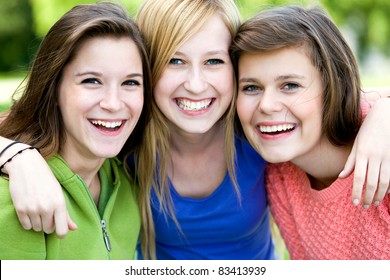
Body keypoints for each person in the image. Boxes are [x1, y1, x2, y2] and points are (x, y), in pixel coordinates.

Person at [1, 0, 389, 260]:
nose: (197, 84)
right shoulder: (122, 135)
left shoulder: (259, 130)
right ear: (146, 67)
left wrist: (382, 114)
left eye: (215, 61)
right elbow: (25, 124)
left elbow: (339, 98)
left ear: (235, 68)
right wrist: (18, 157)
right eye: (175, 60)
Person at [231, 5, 390, 259]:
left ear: (333, 87)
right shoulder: (279, 173)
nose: (267, 105)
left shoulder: (384, 148)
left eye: (290, 85)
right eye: (251, 88)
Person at [0, 2, 152, 259]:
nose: (113, 103)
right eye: (91, 81)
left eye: (130, 82)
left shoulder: (127, 180)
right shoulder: (15, 201)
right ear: (54, 89)